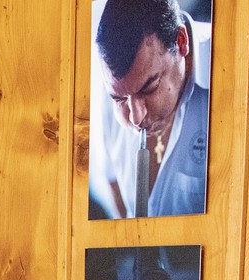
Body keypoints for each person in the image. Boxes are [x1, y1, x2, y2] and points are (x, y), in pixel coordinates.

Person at [88, 0, 211, 219]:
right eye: (119, 99)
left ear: (181, 42)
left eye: (149, 87)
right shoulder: (110, 90)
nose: (136, 118)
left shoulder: (234, 70)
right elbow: (114, 181)